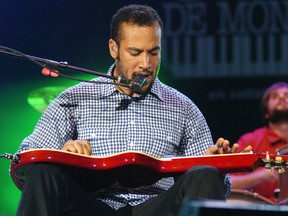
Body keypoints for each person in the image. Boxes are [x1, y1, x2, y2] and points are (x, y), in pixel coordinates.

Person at [15, 4, 249, 216]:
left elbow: (217, 190)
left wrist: (216, 170)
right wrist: (61, 156)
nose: (146, 65)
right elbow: (25, 163)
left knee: (205, 173)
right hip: (92, 206)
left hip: (158, 208)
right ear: (114, 48)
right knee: (44, 172)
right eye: (135, 53)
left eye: (154, 53)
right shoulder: (75, 99)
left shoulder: (184, 108)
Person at [230, 82, 288, 203]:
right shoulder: (251, 141)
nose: (282, 97)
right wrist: (263, 175)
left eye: (287, 95)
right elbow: (228, 183)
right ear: (266, 113)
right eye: (275, 96)